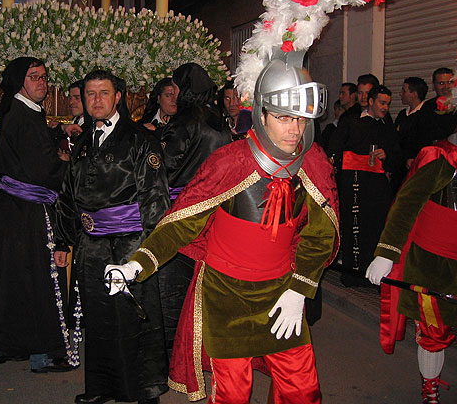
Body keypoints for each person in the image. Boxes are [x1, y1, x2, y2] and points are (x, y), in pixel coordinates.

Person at [105, 50, 339, 403]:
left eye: (301, 119)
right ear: (260, 114)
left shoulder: (314, 162)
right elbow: (182, 224)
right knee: (232, 392)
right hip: (226, 297)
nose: (295, 130)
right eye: (283, 118)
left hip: (281, 295)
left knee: (302, 390)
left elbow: (318, 235)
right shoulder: (231, 161)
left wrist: (299, 289)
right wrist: (137, 263)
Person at [366, 65, 457, 403]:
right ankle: (430, 388)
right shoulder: (438, 156)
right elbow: (405, 205)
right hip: (433, 263)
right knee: (433, 333)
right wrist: (385, 254)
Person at [57, 70, 169, 404]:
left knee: (133, 315)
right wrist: (64, 240)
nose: (96, 100)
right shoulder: (81, 139)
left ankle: (145, 389)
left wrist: (148, 253)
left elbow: (155, 198)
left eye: (103, 93)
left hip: (129, 242)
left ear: (117, 96)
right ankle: (100, 388)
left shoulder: (139, 139)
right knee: (99, 317)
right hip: (91, 246)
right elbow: (67, 193)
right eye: (89, 94)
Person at [0, 57, 77, 373]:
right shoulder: (23, 116)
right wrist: (70, 166)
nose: (43, 83)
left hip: (14, 210)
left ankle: (2, 344)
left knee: (13, 277)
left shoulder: (19, 112)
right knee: (40, 278)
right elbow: (43, 169)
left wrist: (57, 133)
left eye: (44, 77)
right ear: (20, 82)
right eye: (35, 77)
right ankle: (42, 351)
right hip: (31, 211)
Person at [156, 63, 232, 359]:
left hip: (183, 209)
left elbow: (164, 165)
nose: (172, 92)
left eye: (175, 86)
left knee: (175, 285)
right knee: (205, 281)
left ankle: (177, 350)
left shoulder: (186, 120)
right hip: (215, 210)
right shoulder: (218, 118)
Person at [327, 85, 402, 287]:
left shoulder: (387, 125)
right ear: (370, 101)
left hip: (377, 186)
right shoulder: (351, 121)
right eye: (381, 103)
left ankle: (376, 274)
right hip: (354, 183)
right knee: (355, 227)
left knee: (377, 226)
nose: (385, 108)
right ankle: (354, 273)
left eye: (388, 104)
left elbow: (397, 155)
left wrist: (386, 155)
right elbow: (334, 148)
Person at [391, 76, 428, 192]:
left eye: (404, 90)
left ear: (414, 94)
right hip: (399, 168)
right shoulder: (403, 114)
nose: (400, 94)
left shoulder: (426, 114)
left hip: (415, 168)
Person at [419, 67, 457, 145]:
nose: (446, 87)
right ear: (433, 86)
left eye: (450, 82)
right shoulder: (427, 107)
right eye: (441, 83)